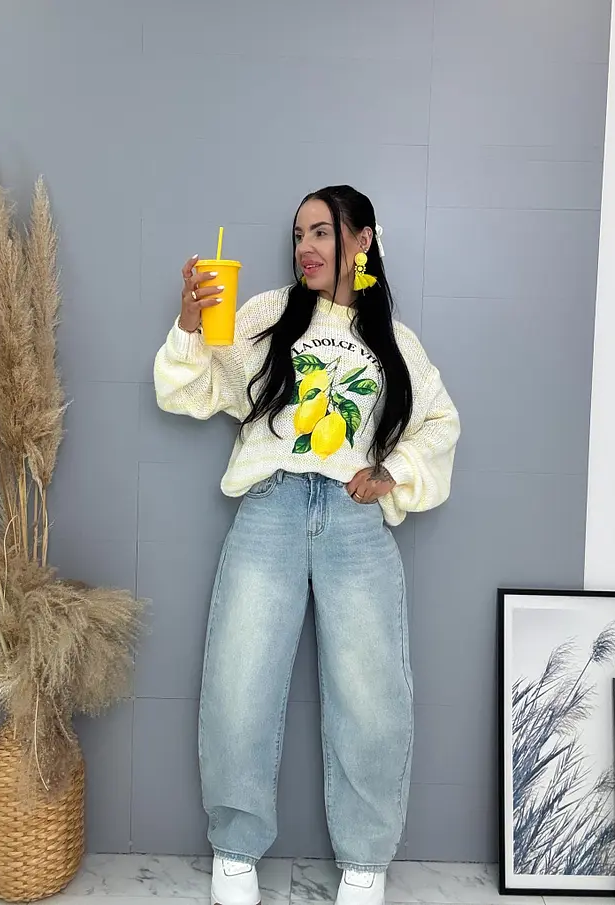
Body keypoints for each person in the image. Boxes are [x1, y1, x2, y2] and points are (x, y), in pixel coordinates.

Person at [154, 186, 460, 905]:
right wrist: (190, 325)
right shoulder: (266, 315)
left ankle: (366, 857)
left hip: (354, 520)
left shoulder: (396, 344)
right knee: (240, 677)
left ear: (362, 239)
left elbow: (440, 424)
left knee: (371, 691)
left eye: (321, 232)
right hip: (272, 506)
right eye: (299, 235)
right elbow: (186, 391)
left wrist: (391, 473)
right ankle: (235, 846)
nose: (306, 248)